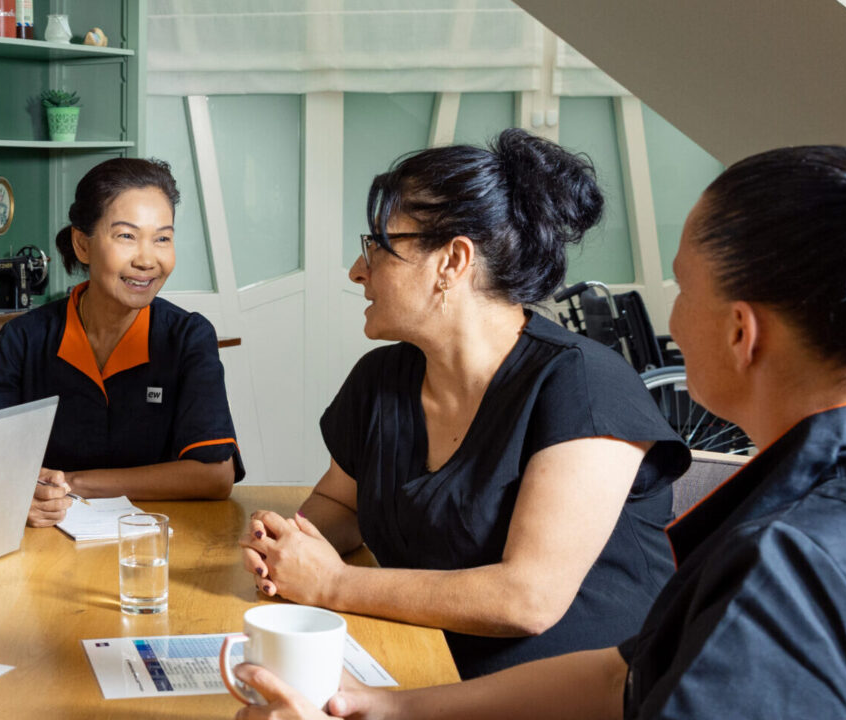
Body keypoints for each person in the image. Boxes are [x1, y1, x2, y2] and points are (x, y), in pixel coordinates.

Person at [238, 129, 846, 719]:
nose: (671, 316)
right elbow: (624, 674)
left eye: (681, 287)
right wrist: (392, 707)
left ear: (742, 333)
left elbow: (551, 619)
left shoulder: (789, 570)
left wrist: (340, 590)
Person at [242, 128, 692, 678]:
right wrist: (290, 543)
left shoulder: (583, 385)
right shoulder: (381, 378)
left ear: (452, 261)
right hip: (422, 665)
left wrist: (332, 583)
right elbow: (341, 505)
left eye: (377, 248)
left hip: (581, 692)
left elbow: (527, 599)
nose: (357, 271)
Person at [0, 158, 243, 527]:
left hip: (156, 548)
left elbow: (216, 476)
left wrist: (72, 483)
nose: (147, 259)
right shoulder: (25, 338)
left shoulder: (187, 337)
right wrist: (15, 491)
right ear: (82, 245)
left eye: (162, 238)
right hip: (45, 548)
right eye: (126, 236)